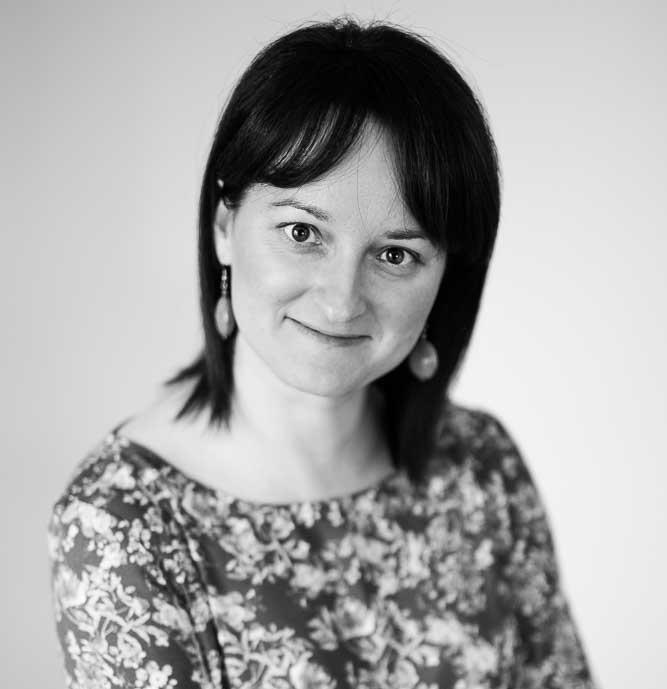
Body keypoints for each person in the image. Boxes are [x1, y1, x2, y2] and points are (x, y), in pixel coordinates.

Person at [47, 16, 599, 689]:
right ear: (224, 225)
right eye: (302, 232)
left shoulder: (481, 467)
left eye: (395, 255)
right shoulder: (121, 523)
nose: (341, 301)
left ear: (446, 275)